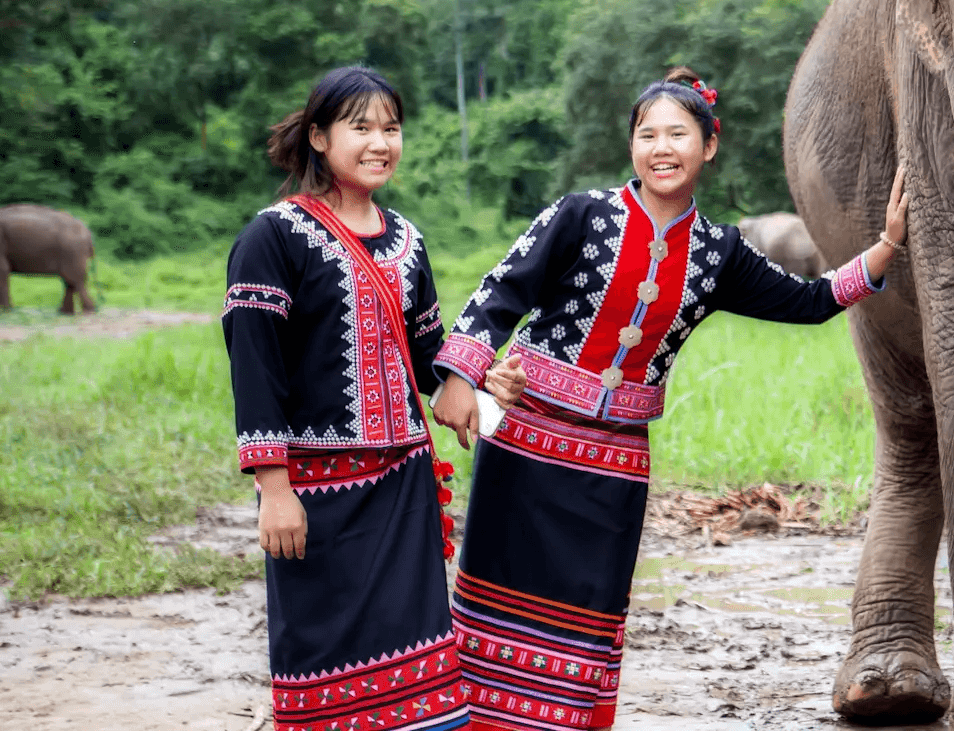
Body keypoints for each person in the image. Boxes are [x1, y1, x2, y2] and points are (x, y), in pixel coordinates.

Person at [429, 67, 908, 731]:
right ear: (631, 146)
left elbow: (810, 301)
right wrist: (460, 375)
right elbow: (502, 289)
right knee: (500, 602)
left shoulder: (719, 252)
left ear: (708, 146)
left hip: (615, 465)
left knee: (588, 612)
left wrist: (884, 247)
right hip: (528, 445)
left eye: (677, 134)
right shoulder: (580, 216)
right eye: (647, 134)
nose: (661, 147)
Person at [224, 66, 525, 731]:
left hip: (402, 488)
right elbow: (255, 366)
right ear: (319, 137)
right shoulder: (273, 237)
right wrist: (274, 487)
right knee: (320, 656)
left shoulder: (408, 240)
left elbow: (423, 356)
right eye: (361, 127)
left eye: (391, 128)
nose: (380, 142)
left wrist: (475, 377)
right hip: (316, 493)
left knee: (418, 665)